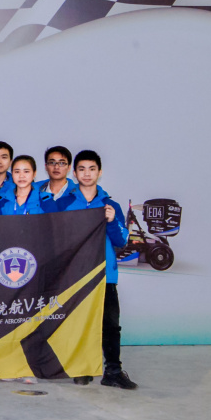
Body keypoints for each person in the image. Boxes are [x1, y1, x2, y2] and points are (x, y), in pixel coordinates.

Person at [57, 150, 136, 390]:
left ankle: (113, 371)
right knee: (77, 322)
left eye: (92, 169)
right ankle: (81, 368)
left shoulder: (111, 205)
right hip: (76, 276)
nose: (87, 173)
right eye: (82, 169)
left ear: (99, 173)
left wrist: (111, 221)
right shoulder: (64, 203)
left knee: (110, 325)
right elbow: (57, 239)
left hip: (105, 276)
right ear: (74, 173)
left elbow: (122, 241)